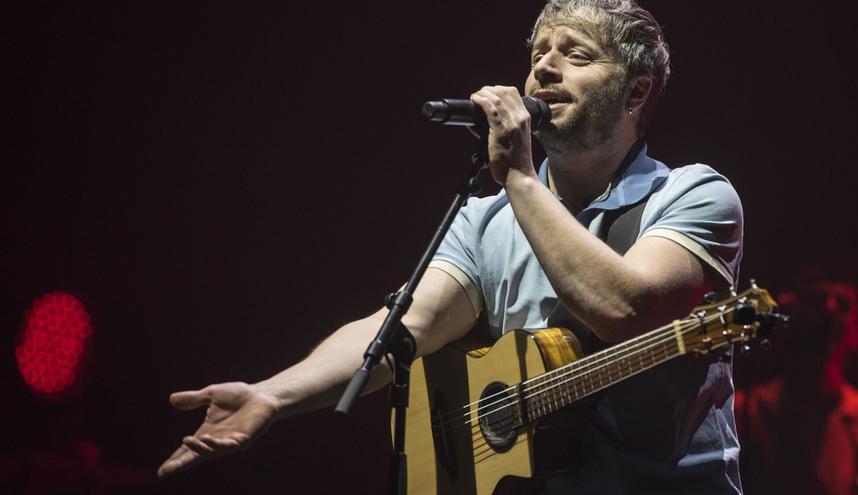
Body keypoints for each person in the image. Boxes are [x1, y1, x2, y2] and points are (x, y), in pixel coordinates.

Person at [159, 1, 745, 492]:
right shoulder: (486, 217)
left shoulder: (693, 194)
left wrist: (517, 176)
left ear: (636, 91)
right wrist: (271, 395)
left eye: (576, 54)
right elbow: (400, 328)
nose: (544, 68)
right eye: (539, 52)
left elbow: (627, 309)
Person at [736, 280, 858, 495]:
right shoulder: (746, 411)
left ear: (856, 333)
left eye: (842, 304)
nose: (829, 311)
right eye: (816, 301)